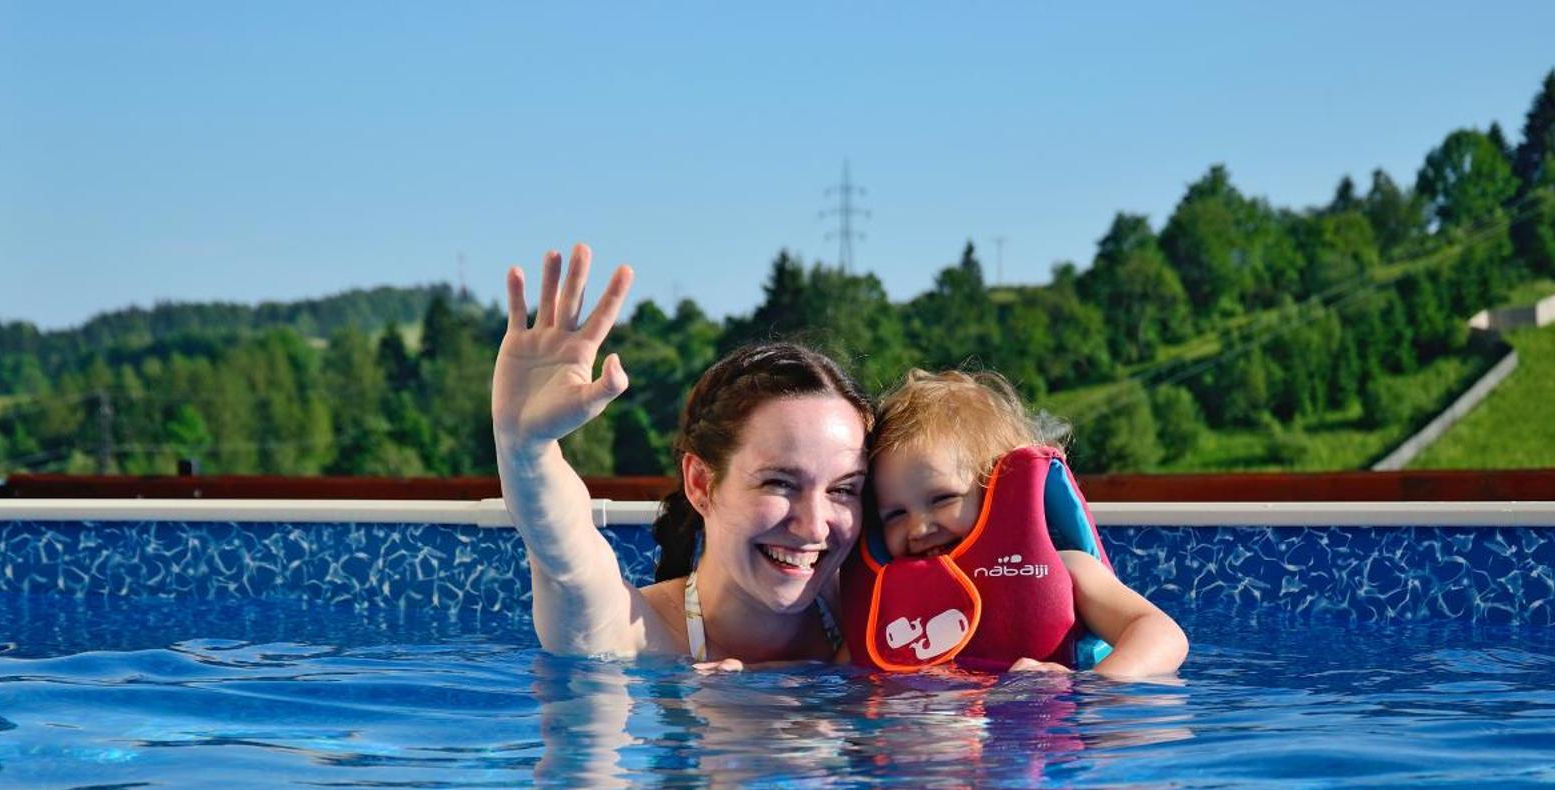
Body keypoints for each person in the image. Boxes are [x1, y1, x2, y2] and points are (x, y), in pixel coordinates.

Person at [492, 244, 869, 665]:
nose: (814, 525)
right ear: (701, 483)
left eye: (843, 490)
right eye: (780, 483)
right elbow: (567, 563)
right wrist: (526, 452)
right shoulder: (633, 635)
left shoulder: (877, 623)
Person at [848, 369, 1188, 679]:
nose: (919, 528)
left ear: (997, 490)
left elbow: (1161, 633)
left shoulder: (1069, 568)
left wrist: (1097, 685)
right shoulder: (889, 598)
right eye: (895, 514)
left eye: (942, 499)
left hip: (1050, 728)